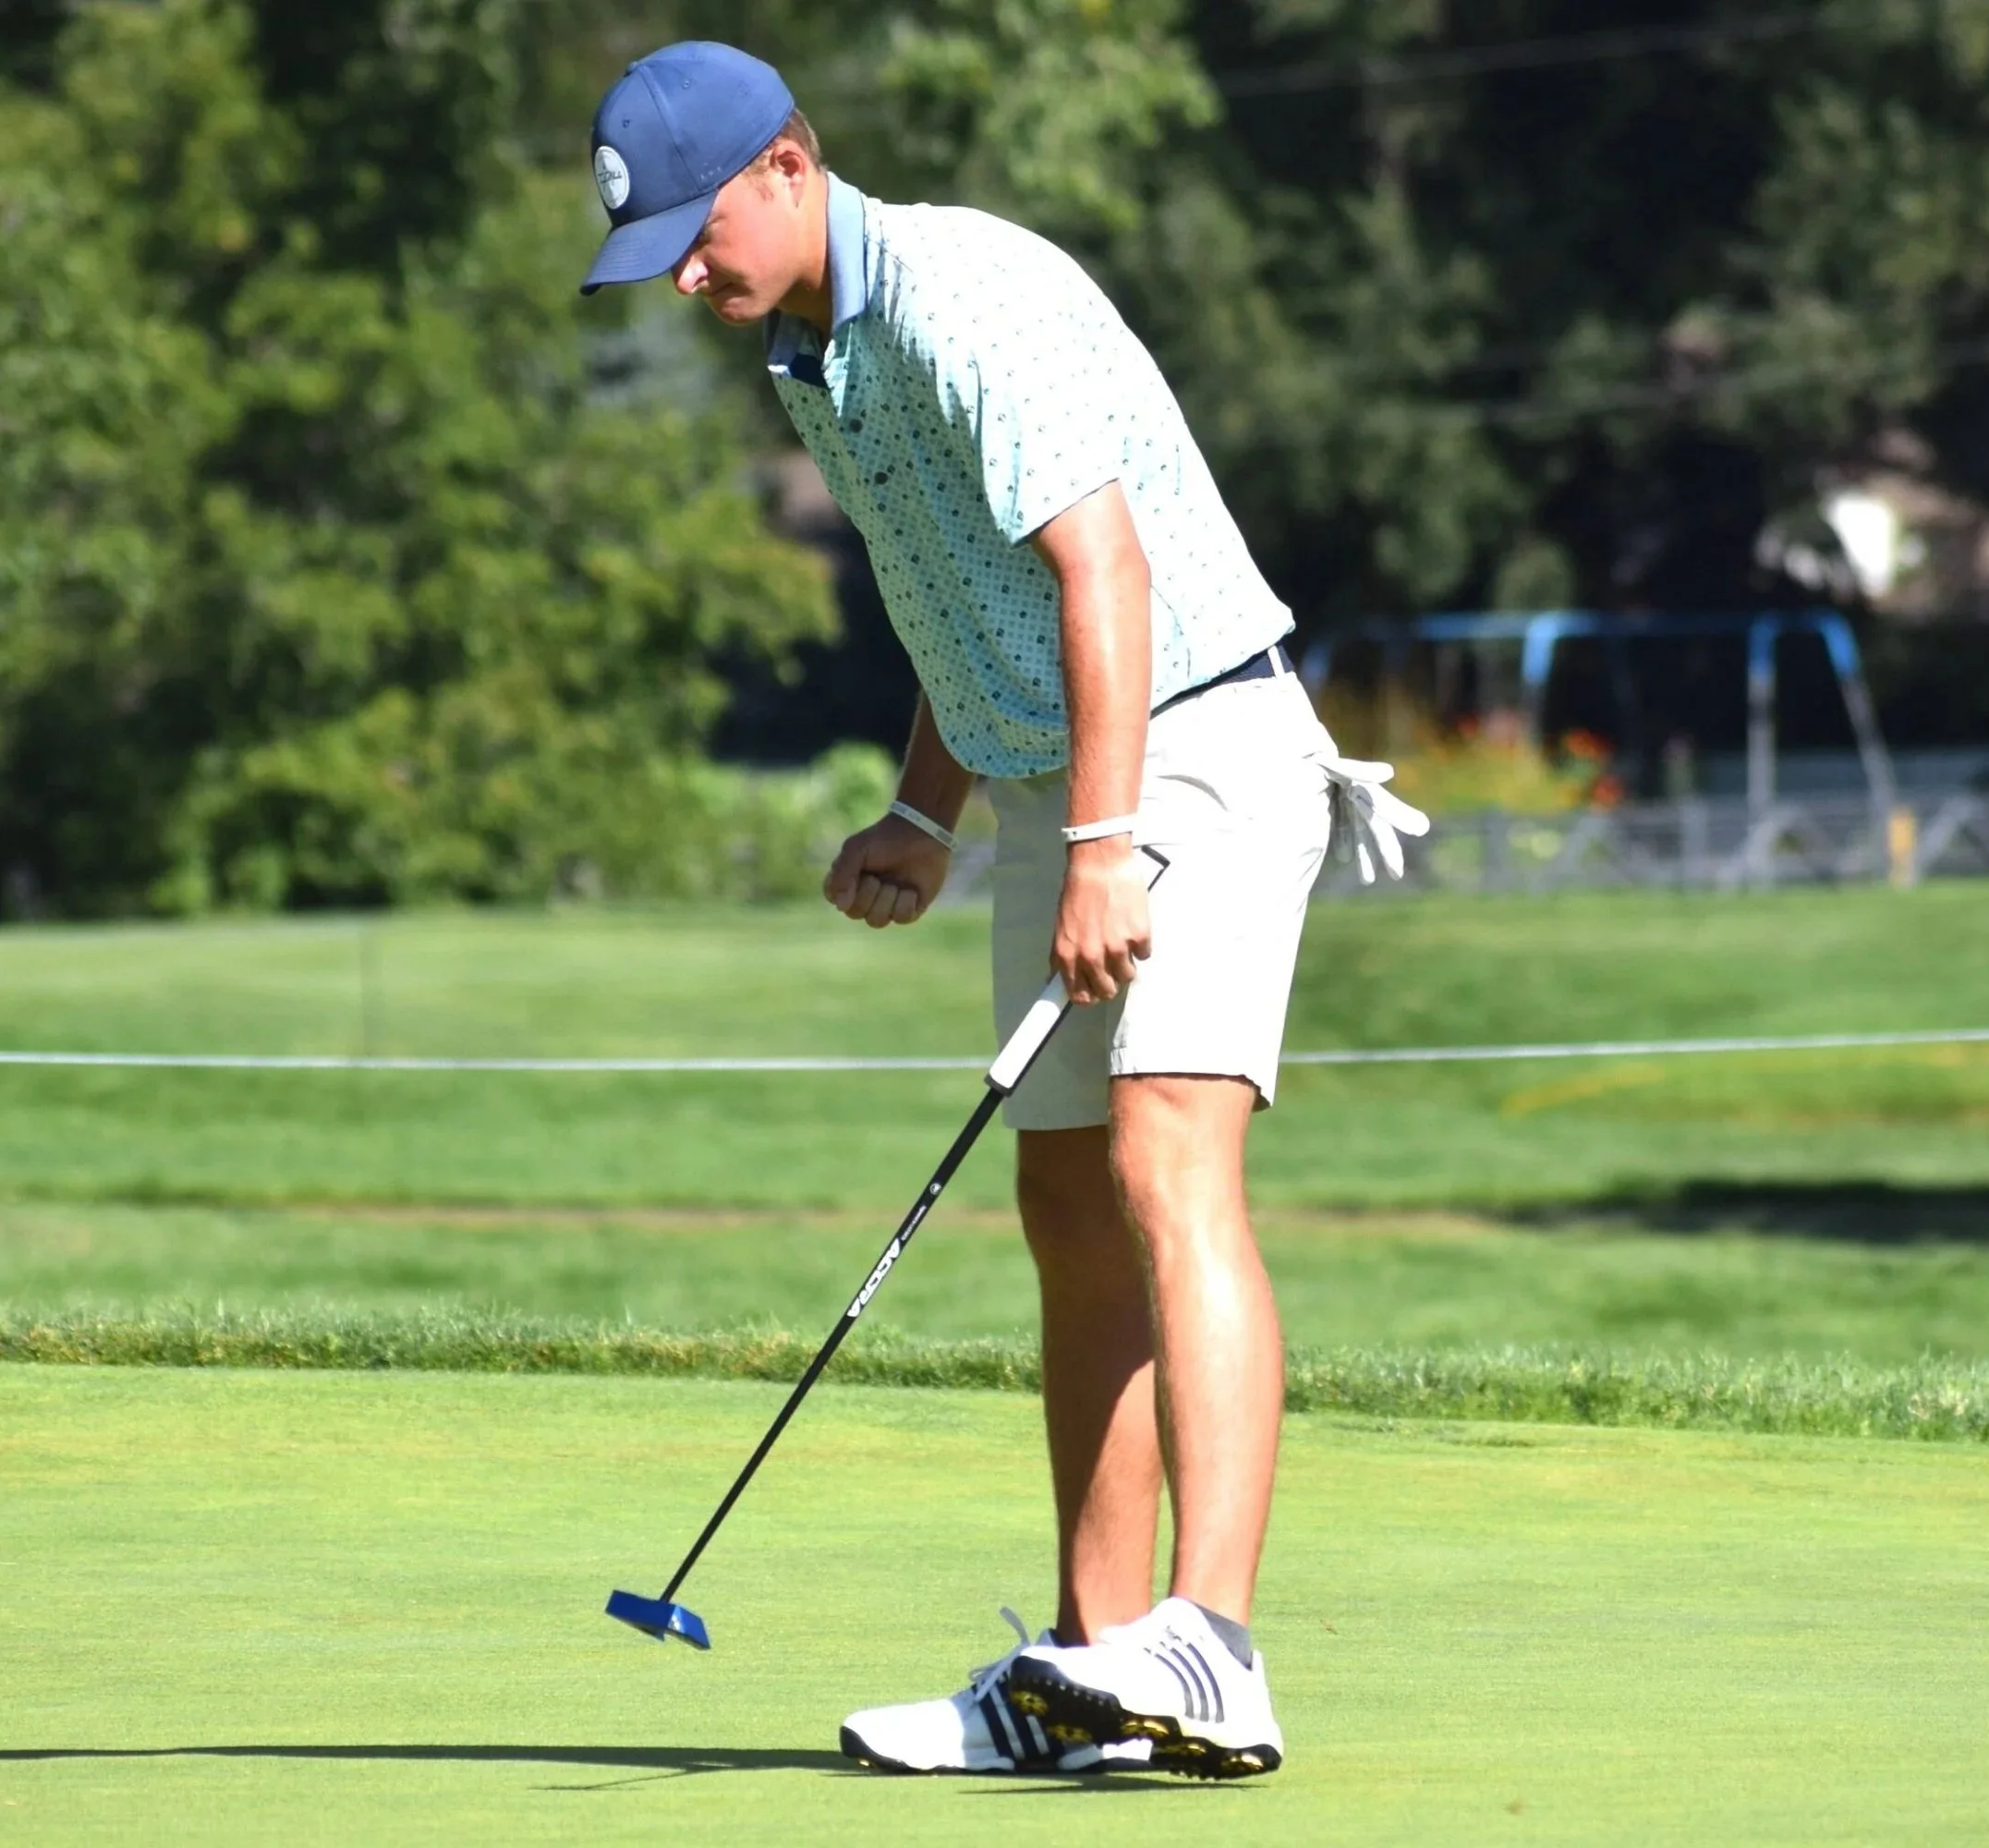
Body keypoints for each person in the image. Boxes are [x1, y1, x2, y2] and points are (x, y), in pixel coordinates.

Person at [580, 41, 1426, 1781]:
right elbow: (957, 599)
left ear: (789, 166)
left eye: (693, 230)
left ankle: (1214, 1651)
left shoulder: (969, 296)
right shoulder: (814, 349)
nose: (683, 273)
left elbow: (1095, 569)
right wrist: (925, 808)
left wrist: (1106, 842)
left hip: (1192, 742)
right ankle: (1089, 1672)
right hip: (1058, 769)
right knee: (1061, 1194)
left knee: (1162, 1155)